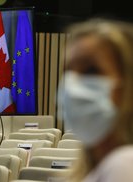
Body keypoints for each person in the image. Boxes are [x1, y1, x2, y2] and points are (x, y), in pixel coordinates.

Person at [58, 18, 133, 182]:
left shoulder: (124, 164)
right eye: (69, 70)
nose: (73, 85)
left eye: (91, 70)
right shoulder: (99, 166)